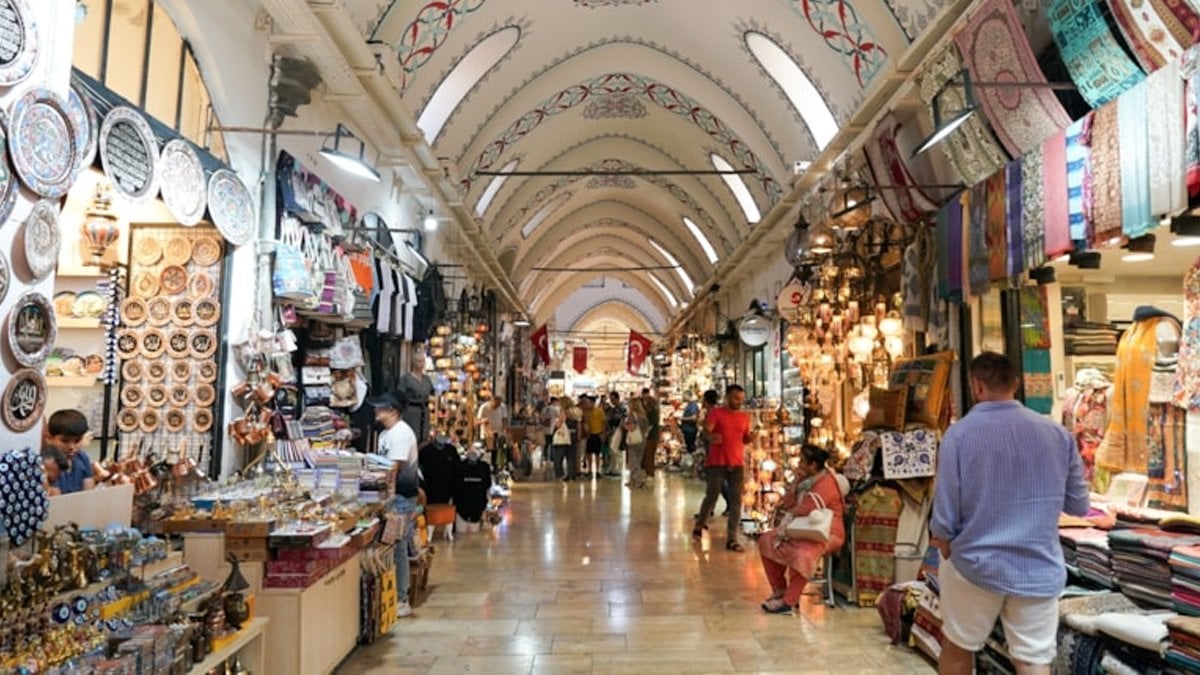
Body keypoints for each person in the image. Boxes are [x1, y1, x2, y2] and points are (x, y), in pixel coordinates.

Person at [931, 352, 1089, 675]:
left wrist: (944, 543)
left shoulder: (959, 436)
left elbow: (944, 513)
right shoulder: (1057, 434)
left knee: (959, 647)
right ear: (1015, 384)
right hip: (1037, 565)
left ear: (976, 386)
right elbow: (1078, 506)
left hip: (974, 563)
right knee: (1033, 659)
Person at [756, 444, 847, 614]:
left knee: (802, 553)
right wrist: (796, 482)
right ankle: (780, 591)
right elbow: (789, 502)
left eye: (803, 462)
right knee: (766, 540)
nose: (799, 464)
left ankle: (789, 602)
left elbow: (807, 508)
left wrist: (789, 517)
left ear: (813, 465)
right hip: (801, 529)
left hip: (826, 533)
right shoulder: (805, 480)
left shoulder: (826, 483)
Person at [370, 393, 420, 619]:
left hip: (400, 498)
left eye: (379, 408)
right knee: (391, 544)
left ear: (391, 410)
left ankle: (401, 598)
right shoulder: (384, 434)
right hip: (390, 497)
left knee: (398, 544)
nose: (375, 412)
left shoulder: (401, 433)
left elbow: (393, 468)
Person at [694, 384, 751, 551]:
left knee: (736, 502)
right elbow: (706, 431)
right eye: (735, 398)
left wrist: (750, 438)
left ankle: (732, 538)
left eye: (741, 399)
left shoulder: (744, 417)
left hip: (737, 463)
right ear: (727, 397)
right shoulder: (716, 413)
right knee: (711, 496)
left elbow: (745, 438)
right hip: (717, 462)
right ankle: (699, 525)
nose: (738, 402)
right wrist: (711, 437)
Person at [42, 410, 95, 494]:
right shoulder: (49, 463)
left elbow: (89, 494)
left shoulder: (82, 457)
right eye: (65, 441)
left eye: (77, 441)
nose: (72, 447)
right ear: (49, 438)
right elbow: (57, 500)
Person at [396, 349, 434, 446]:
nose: (421, 364)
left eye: (423, 361)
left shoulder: (427, 379)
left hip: (424, 411)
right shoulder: (406, 378)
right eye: (419, 361)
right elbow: (400, 395)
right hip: (411, 410)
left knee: (424, 437)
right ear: (414, 362)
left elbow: (431, 392)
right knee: (411, 435)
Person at [624, 398, 650, 489]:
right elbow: (647, 427)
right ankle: (632, 480)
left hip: (633, 439)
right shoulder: (643, 415)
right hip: (642, 439)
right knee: (638, 460)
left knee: (633, 461)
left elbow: (630, 427)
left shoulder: (632, 415)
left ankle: (639, 479)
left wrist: (624, 425)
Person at [476, 395, 508, 468]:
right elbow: (477, 421)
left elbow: (504, 419)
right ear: (492, 401)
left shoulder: (502, 407)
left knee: (497, 452)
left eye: (499, 404)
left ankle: (496, 468)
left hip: (498, 433)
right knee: (486, 451)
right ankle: (485, 466)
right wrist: (483, 421)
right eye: (496, 404)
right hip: (486, 433)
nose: (497, 406)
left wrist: (504, 430)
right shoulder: (484, 407)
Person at [550, 400, 575, 481]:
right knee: (570, 459)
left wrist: (557, 424)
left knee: (558, 459)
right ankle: (571, 475)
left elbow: (558, 424)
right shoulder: (573, 413)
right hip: (569, 439)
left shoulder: (563, 413)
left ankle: (560, 475)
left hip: (560, 440)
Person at [604, 392, 627, 476]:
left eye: (613, 399)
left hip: (617, 431)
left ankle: (618, 469)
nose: (611, 400)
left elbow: (623, 419)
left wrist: (619, 430)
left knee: (617, 450)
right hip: (611, 431)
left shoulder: (622, 408)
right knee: (612, 450)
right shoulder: (612, 409)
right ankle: (612, 467)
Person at [585, 394, 607, 479]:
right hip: (589, 435)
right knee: (589, 454)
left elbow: (604, 423)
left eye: (589, 402)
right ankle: (589, 470)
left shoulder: (599, 411)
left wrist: (603, 434)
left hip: (597, 434)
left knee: (597, 454)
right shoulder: (586, 412)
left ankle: (597, 470)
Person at [641, 389, 661, 479]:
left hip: (651, 435)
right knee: (649, 455)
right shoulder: (654, 411)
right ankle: (648, 472)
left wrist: (645, 432)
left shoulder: (652, 412)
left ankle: (650, 473)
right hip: (653, 435)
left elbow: (651, 424)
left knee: (649, 455)